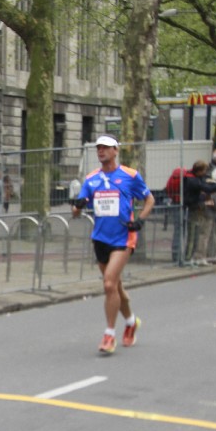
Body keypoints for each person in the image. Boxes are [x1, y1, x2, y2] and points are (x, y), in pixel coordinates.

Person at [70, 135, 154, 354]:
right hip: (100, 238)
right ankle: (131, 322)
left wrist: (140, 220)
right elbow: (76, 212)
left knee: (108, 284)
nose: (101, 151)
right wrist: (78, 205)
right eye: (98, 148)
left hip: (123, 237)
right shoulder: (91, 179)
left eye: (106, 147)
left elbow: (149, 199)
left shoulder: (130, 175)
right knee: (115, 287)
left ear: (116, 150)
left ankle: (109, 335)